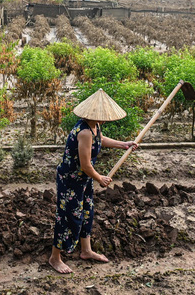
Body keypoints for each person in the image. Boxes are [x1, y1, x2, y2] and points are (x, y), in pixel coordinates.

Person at [48, 88, 138, 274]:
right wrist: (101, 178)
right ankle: (55, 258)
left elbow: (101, 139)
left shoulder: (94, 126)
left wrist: (124, 144)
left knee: (87, 212)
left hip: (83, 180)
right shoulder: (84, 132)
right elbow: (85, 165)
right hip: (71, 180)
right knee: (67, 217)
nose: (105, 118)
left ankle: (86, 250)